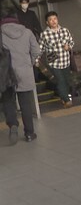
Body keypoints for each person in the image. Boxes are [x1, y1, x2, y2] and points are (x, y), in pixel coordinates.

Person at [1, 11, 40, 144]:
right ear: (16, 19)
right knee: (25, 104)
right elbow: (36, 51)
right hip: (24, 71)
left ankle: (12, 124)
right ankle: (29, 133)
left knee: (8, 101)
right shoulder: (27, 32)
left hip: (7, 73)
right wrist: (30, 62)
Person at [39, 11, 75, 108]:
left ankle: (64, 97)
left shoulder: (65, 30)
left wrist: (69, 47)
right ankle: (67, 100)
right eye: (51, 20)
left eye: (55, 19)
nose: (53, 21)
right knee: (60, 81)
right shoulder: (44, 34)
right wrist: (36, 59)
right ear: (47, 22)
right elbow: (40, 48)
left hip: (65, 61)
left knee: (67, 81)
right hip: (54, 63)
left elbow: (71, 41)